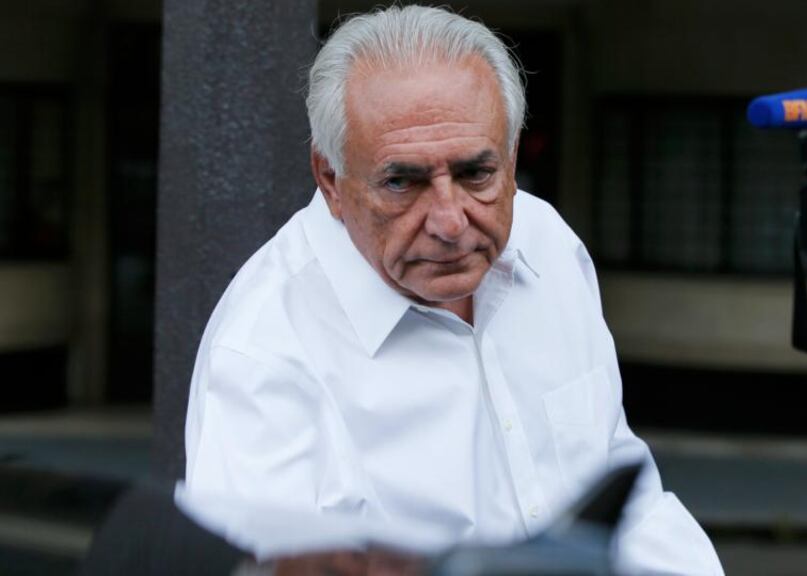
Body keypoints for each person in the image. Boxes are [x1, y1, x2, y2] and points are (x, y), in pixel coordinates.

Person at [182, 5, 722, 574]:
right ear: (331, 180)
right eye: (402, 182)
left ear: (512, 159)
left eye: (475, 175)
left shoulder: (550, 246)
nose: (450, 220)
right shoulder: (262, 353)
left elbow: (621, 488)